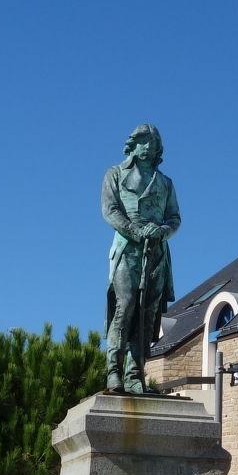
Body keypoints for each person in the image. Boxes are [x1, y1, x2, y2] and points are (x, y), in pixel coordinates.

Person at [100, 123, 181, 393]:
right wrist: (135, 231)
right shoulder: (114, 174)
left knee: (147, 315)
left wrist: (161, 231)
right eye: (142, 142)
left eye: (151, 142)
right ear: (132, 145)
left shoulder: (166, 183)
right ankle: (113, 371)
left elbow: (174, 218)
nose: (147, 147)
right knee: (125, 307)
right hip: (128, 248)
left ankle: (135, 375)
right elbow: (110, 210)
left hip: (156, 252)